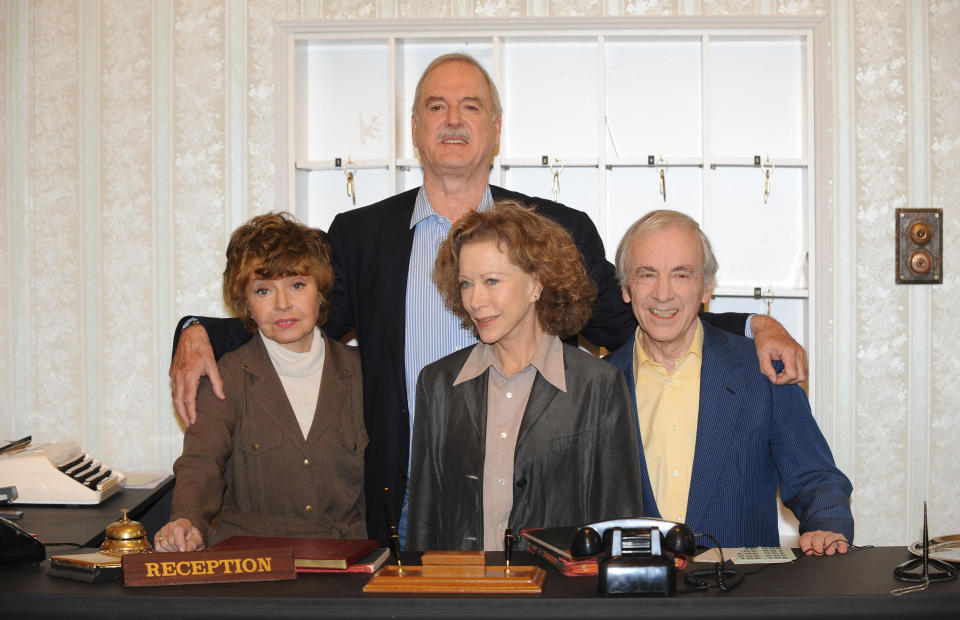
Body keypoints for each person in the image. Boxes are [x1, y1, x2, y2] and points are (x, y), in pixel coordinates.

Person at [168, 53, 805, 543]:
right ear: (414, 127)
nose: (452, 120)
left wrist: (749, 324)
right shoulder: (359, 236)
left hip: (534, 503)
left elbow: (640, 315)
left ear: (495, 128)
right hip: (398, 500)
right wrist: (201, 328)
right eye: (436, 106)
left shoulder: (558, 231)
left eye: (470, 106)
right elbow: (298, 321)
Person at [607, 210, 853, 555]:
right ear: (626, 289)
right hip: (633, 598)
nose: (663, 294)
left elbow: (816, 478)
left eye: (681, 274)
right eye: (647, 274)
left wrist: (827, 527)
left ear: (707, 287)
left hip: (743, 595)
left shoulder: (761, 372)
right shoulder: (596, 385)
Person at [407, 203, 643, 551]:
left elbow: (618, 525)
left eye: (491, 281)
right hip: (458, 596)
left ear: (537, 283)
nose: (475, 300)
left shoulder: (598, 386)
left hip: (557, 598)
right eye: (466, 284)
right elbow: (423, 521)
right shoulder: (438, 384)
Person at [154, 213, 366, 552]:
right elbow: (202, 462)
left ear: (321, 292)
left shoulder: (361, 373)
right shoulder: (227, 375)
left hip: (346, 561)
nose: (282, 305)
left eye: (297, 285)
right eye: (264, 290)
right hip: (250, 562)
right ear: (246, 304)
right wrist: (187, 519)